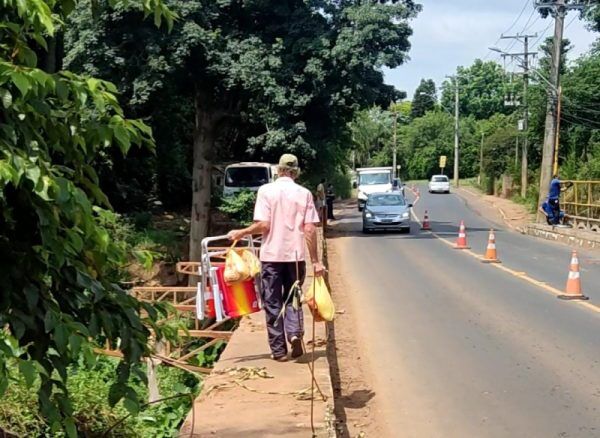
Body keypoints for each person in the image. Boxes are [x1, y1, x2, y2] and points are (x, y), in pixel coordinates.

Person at [228, 154, 325, 362]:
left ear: (278, 170)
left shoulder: (266, 191)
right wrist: (316, 261)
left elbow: (264, 224)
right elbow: (309, 229)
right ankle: (295, 333)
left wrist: (241, 233)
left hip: (272, 256)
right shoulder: (304, 193)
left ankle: (279, 351)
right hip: (296, 257)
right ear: (295, 172)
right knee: (294, 298)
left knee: (273, 302)